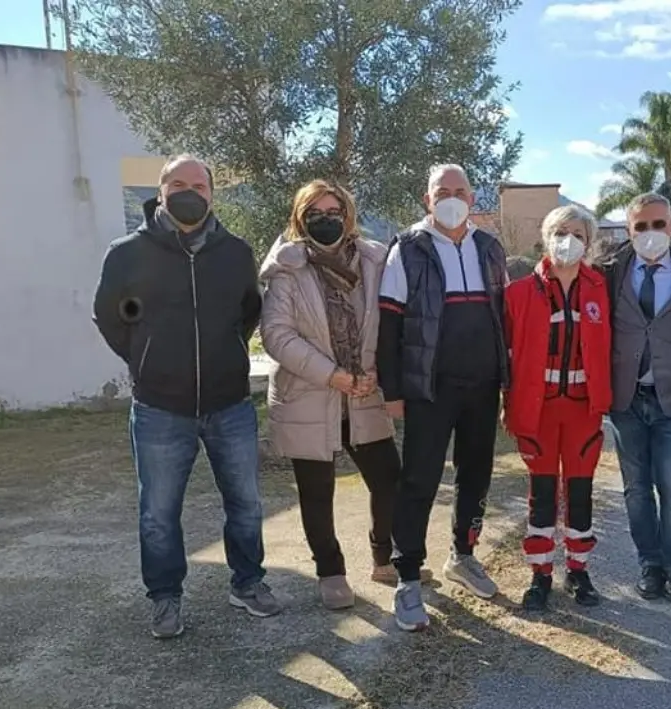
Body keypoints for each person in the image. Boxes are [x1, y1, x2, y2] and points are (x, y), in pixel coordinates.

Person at [92, 154, 280, 639]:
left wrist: (228, 354)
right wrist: (146, 360)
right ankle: (165, 597)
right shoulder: (127, 253)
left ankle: (248, 582)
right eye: (179, 183)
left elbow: (247, 314)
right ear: (160, 189)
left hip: (230, 403)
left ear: (213, 194)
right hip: (159, 407)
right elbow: (111, 319)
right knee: (158, 511)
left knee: (245, 503)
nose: (190, 191)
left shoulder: (236, 252)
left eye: (199, 184)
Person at [258, 180, 433, 611]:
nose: (326, 218)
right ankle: (330, 571)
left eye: (334, 210)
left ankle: (384, 558)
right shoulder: (286, 267)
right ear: (301, 217)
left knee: (388, 479)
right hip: (308, 394)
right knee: (316, 491)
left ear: (348, 213)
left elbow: (390, 320)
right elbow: (277, 334)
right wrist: (332, 375)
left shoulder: (376, 259)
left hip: (364, 391)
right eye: (315, 212)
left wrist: (375, 370)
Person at [377, 163, 510, 632]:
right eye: (442, 191)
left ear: (472, 199)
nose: (452, 198)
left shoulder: (490, 248)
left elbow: (504, 321)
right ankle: (408, 576)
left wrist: (507, 384)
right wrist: (392, 391)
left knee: (475, 475)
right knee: (419, 480)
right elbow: (389, 323)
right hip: (429, 389)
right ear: (427, 198)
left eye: (460, 190)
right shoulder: (408, 248)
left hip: (483, 386)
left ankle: (464, 554)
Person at [503, 205, 612, 611]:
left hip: (583, 409)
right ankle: (540, 575)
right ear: (546, 237)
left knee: (580, 493)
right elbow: (505, 357)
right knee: (543, 494)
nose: (570, 240)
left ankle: (579, 571)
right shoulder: (517, 293)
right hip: (539, 410)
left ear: (589, 241)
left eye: (579, 233)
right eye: (562, 231)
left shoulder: (602, 288)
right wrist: (506, 405)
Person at [597, 192, 671, 602]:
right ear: (628, 230)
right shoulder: (610, 272)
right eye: (641, 226)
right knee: (636, 488)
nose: (651, 233)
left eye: (659, 225)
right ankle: (650, 565)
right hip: (627, 398)